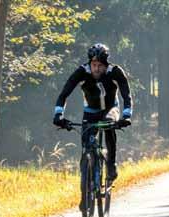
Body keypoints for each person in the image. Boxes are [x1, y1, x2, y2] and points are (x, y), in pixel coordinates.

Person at [53, 43, 133, 182]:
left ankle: (111, 164)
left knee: (108, 125)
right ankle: (85, 186)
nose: (96, 68)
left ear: (106, 64)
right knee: (86, 146)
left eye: (100, 65)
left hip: (110, 109)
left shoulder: (115, 71)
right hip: (90, 110)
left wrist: (126, 116)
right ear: (90, 63)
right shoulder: (81, 72)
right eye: (94, 64)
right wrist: (58, 114)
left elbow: (127, 95)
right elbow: (64, 94)